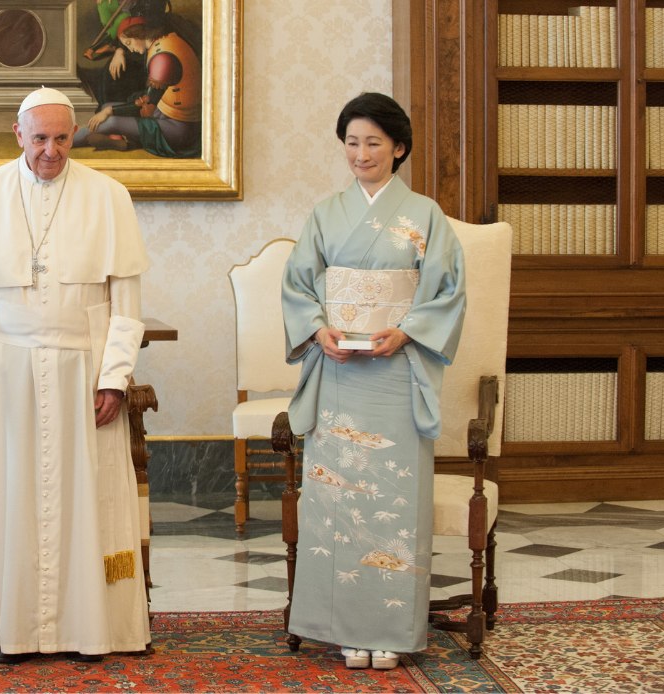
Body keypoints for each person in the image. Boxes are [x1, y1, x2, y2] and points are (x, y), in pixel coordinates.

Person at [0, 87, 151, 664]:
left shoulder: (109, 197)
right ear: (18, 134)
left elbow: (127, 307)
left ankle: (91, 630)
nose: (50, 151)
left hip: (85, 374)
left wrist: (115, 378)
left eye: (61, 138)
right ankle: (9, 629)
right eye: (39, 139)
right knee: (8, 502)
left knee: (90, 503)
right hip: (6, 376)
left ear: (73, 135)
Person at [281, 92, 466, 670]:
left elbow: (448, 291)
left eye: (374, 143)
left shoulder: (425, 215)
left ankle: (392, 629)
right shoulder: (325, 213)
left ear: (399, 149)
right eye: (352, 142)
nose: (361, 154)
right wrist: (318, 331)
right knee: (336, 500)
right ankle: (342, 628)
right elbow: (298, 286)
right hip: (339, 371)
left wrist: (406, 332)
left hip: (395, 371)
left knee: (393, 498)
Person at [73, 13, 200, 158]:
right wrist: (109, 109)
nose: (130, 49)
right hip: (164, 112)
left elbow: (147, 105)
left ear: (139, 34)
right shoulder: (163, 41)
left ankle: (67, 140)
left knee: (111, 120)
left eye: (129, 43)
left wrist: (110, 111)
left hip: (180, 129)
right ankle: (122, 142)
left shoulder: (162, 58)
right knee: (106, 107)